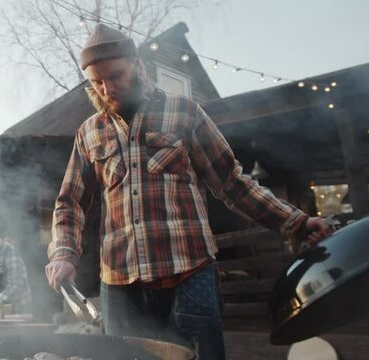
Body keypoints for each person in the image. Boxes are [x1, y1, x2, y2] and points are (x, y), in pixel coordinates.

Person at [45, 24, 332, 359]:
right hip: (122, 287)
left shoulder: (185, 112)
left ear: (136, 63)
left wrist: (296, 222)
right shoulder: (89, 133)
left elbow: (232, 183)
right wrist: (63, 253)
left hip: (189, 277)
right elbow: (70, 203)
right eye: (97, 82)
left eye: (115, 75)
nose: (108, 88)